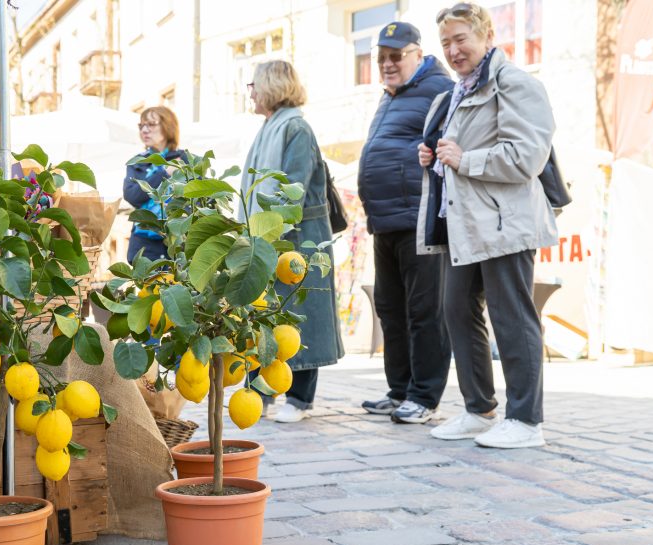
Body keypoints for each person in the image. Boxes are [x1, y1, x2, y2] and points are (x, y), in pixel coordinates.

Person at [417, 2, 558, 448]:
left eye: (461, 39)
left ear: (486, 36)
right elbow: (456, 151)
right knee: (457, 311)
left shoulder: (514, 84)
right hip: (463, 224)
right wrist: (434, 161)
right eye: (446, 43)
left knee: (512, 316)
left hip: (504, 222)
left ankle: (526, 420)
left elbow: (527, 157)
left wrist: (464, 159)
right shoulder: (454, 93)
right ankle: (479, 409)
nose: (454, 50)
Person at [358, 22, 453, 425]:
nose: (387, 64)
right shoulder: (389, 97)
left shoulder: (438, 88)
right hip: (385, 220)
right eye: (381, 57)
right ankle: (399, 390)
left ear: (418, 53)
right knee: (390, 309)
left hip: (418, 217)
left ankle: (424, 396)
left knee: (423, 310)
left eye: (396, 56)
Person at [239, 60, 344, 424]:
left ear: (270, 85)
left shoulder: (295, 128)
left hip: (298, 238)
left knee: (302, 315)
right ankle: (264, 392)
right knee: (265, 313)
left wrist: (272, 236)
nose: (249, 91)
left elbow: (292, 191)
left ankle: (300, 399)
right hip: (268, 238)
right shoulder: (271, 126)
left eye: (253, 84)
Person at [123, 106, 187, 263]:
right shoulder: (138, 161)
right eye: (141, 126)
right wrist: (164, 173)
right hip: (145, 246)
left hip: (179, 245)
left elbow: (198, 198)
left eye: (151, 124)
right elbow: (132, 195)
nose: (144, 130)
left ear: (167, 126)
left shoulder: (185, 159)